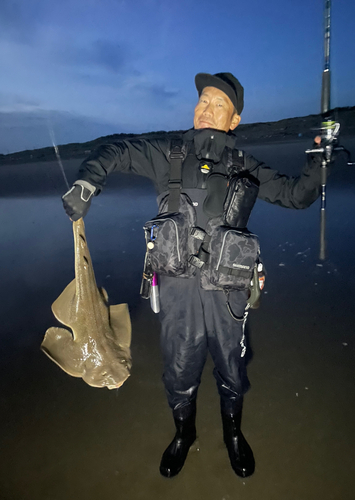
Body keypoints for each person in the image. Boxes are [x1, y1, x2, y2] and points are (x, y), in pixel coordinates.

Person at [62, 72, 323, 478]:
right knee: (179, 369)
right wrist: (86, 181)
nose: (206, 108)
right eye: (203, 99)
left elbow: (295, 195)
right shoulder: (168, 152)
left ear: (234, 120)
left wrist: (318, 164)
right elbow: (114, 150)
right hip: (177, 291)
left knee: (231, 369)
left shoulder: (245, 166)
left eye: (218, 104)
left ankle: (233, 434)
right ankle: (184, 434)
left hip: (229, 294)